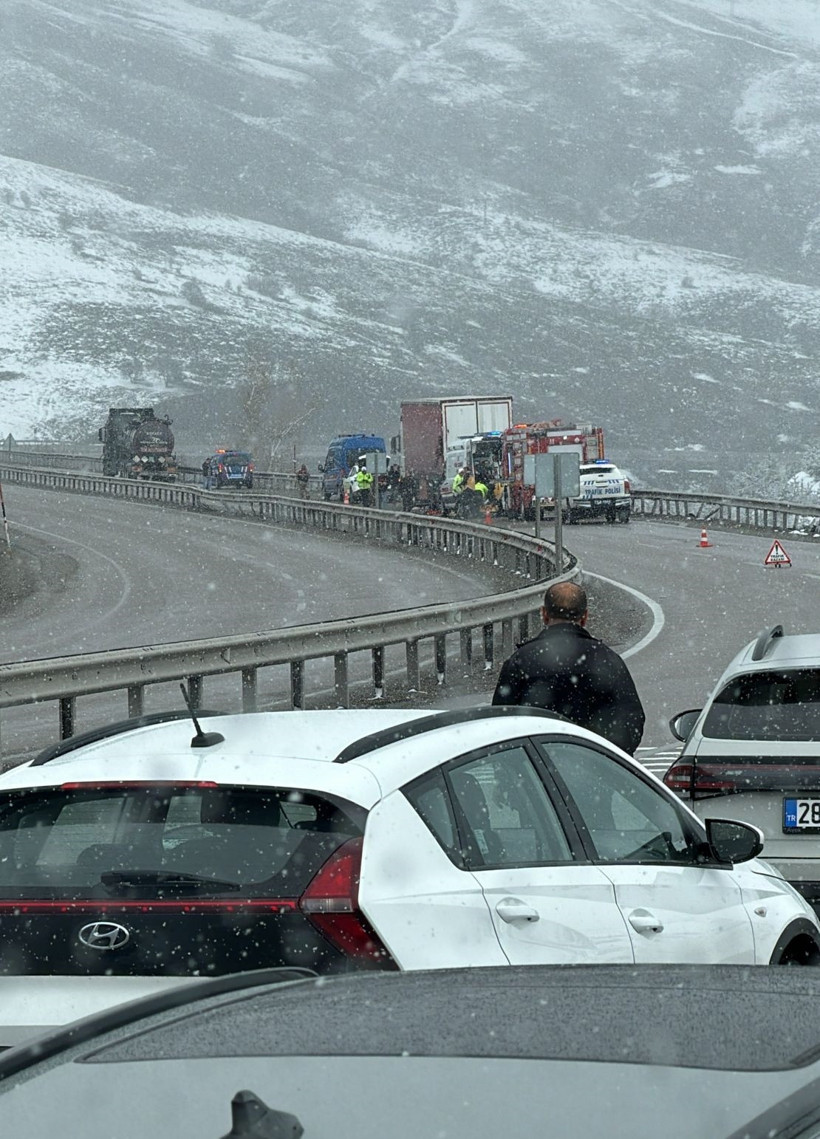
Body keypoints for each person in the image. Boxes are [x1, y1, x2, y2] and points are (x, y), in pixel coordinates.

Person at [492, 581, 645, 755]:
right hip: (595, 768)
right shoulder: (607, 660)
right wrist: (604, 757)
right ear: (585, 617)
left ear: (544, 614)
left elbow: (500, 724)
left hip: (536, 769)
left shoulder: (520, 661)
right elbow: (631, 722)